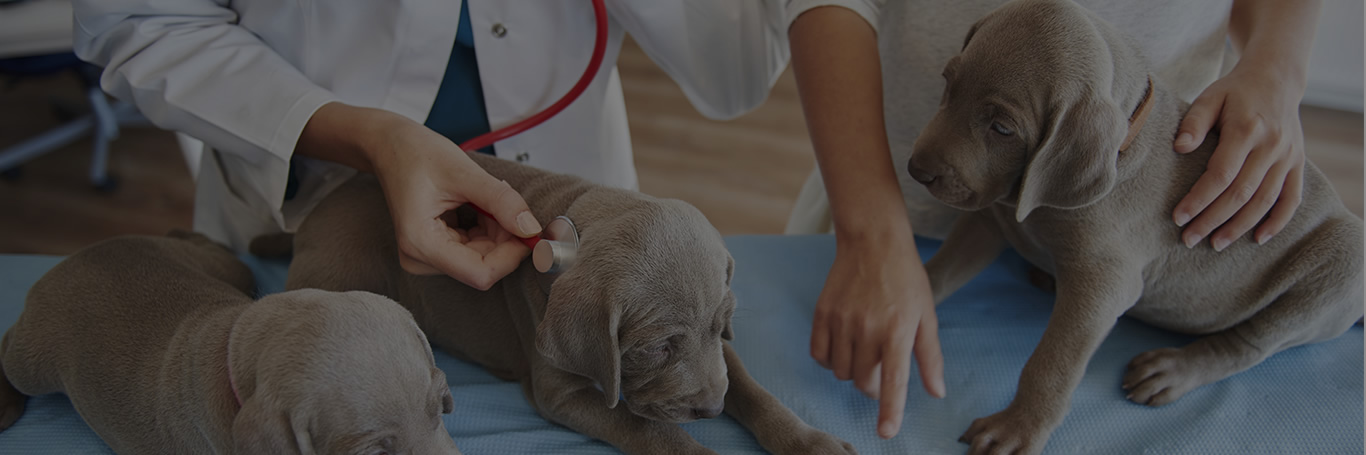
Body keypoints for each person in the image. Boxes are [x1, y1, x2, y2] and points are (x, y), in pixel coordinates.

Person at [785, 0, 1323, 439]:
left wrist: (1033, 411)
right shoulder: (1031, 132)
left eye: (1000, 127)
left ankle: (1231, 352)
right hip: (872, 191)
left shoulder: (1095, 166)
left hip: (1272, 284)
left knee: (1347, 260)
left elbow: (1106, 283)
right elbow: (998, 217)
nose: (928, 154)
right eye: (952, 87)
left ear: (1067, 156)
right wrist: (912, 275)